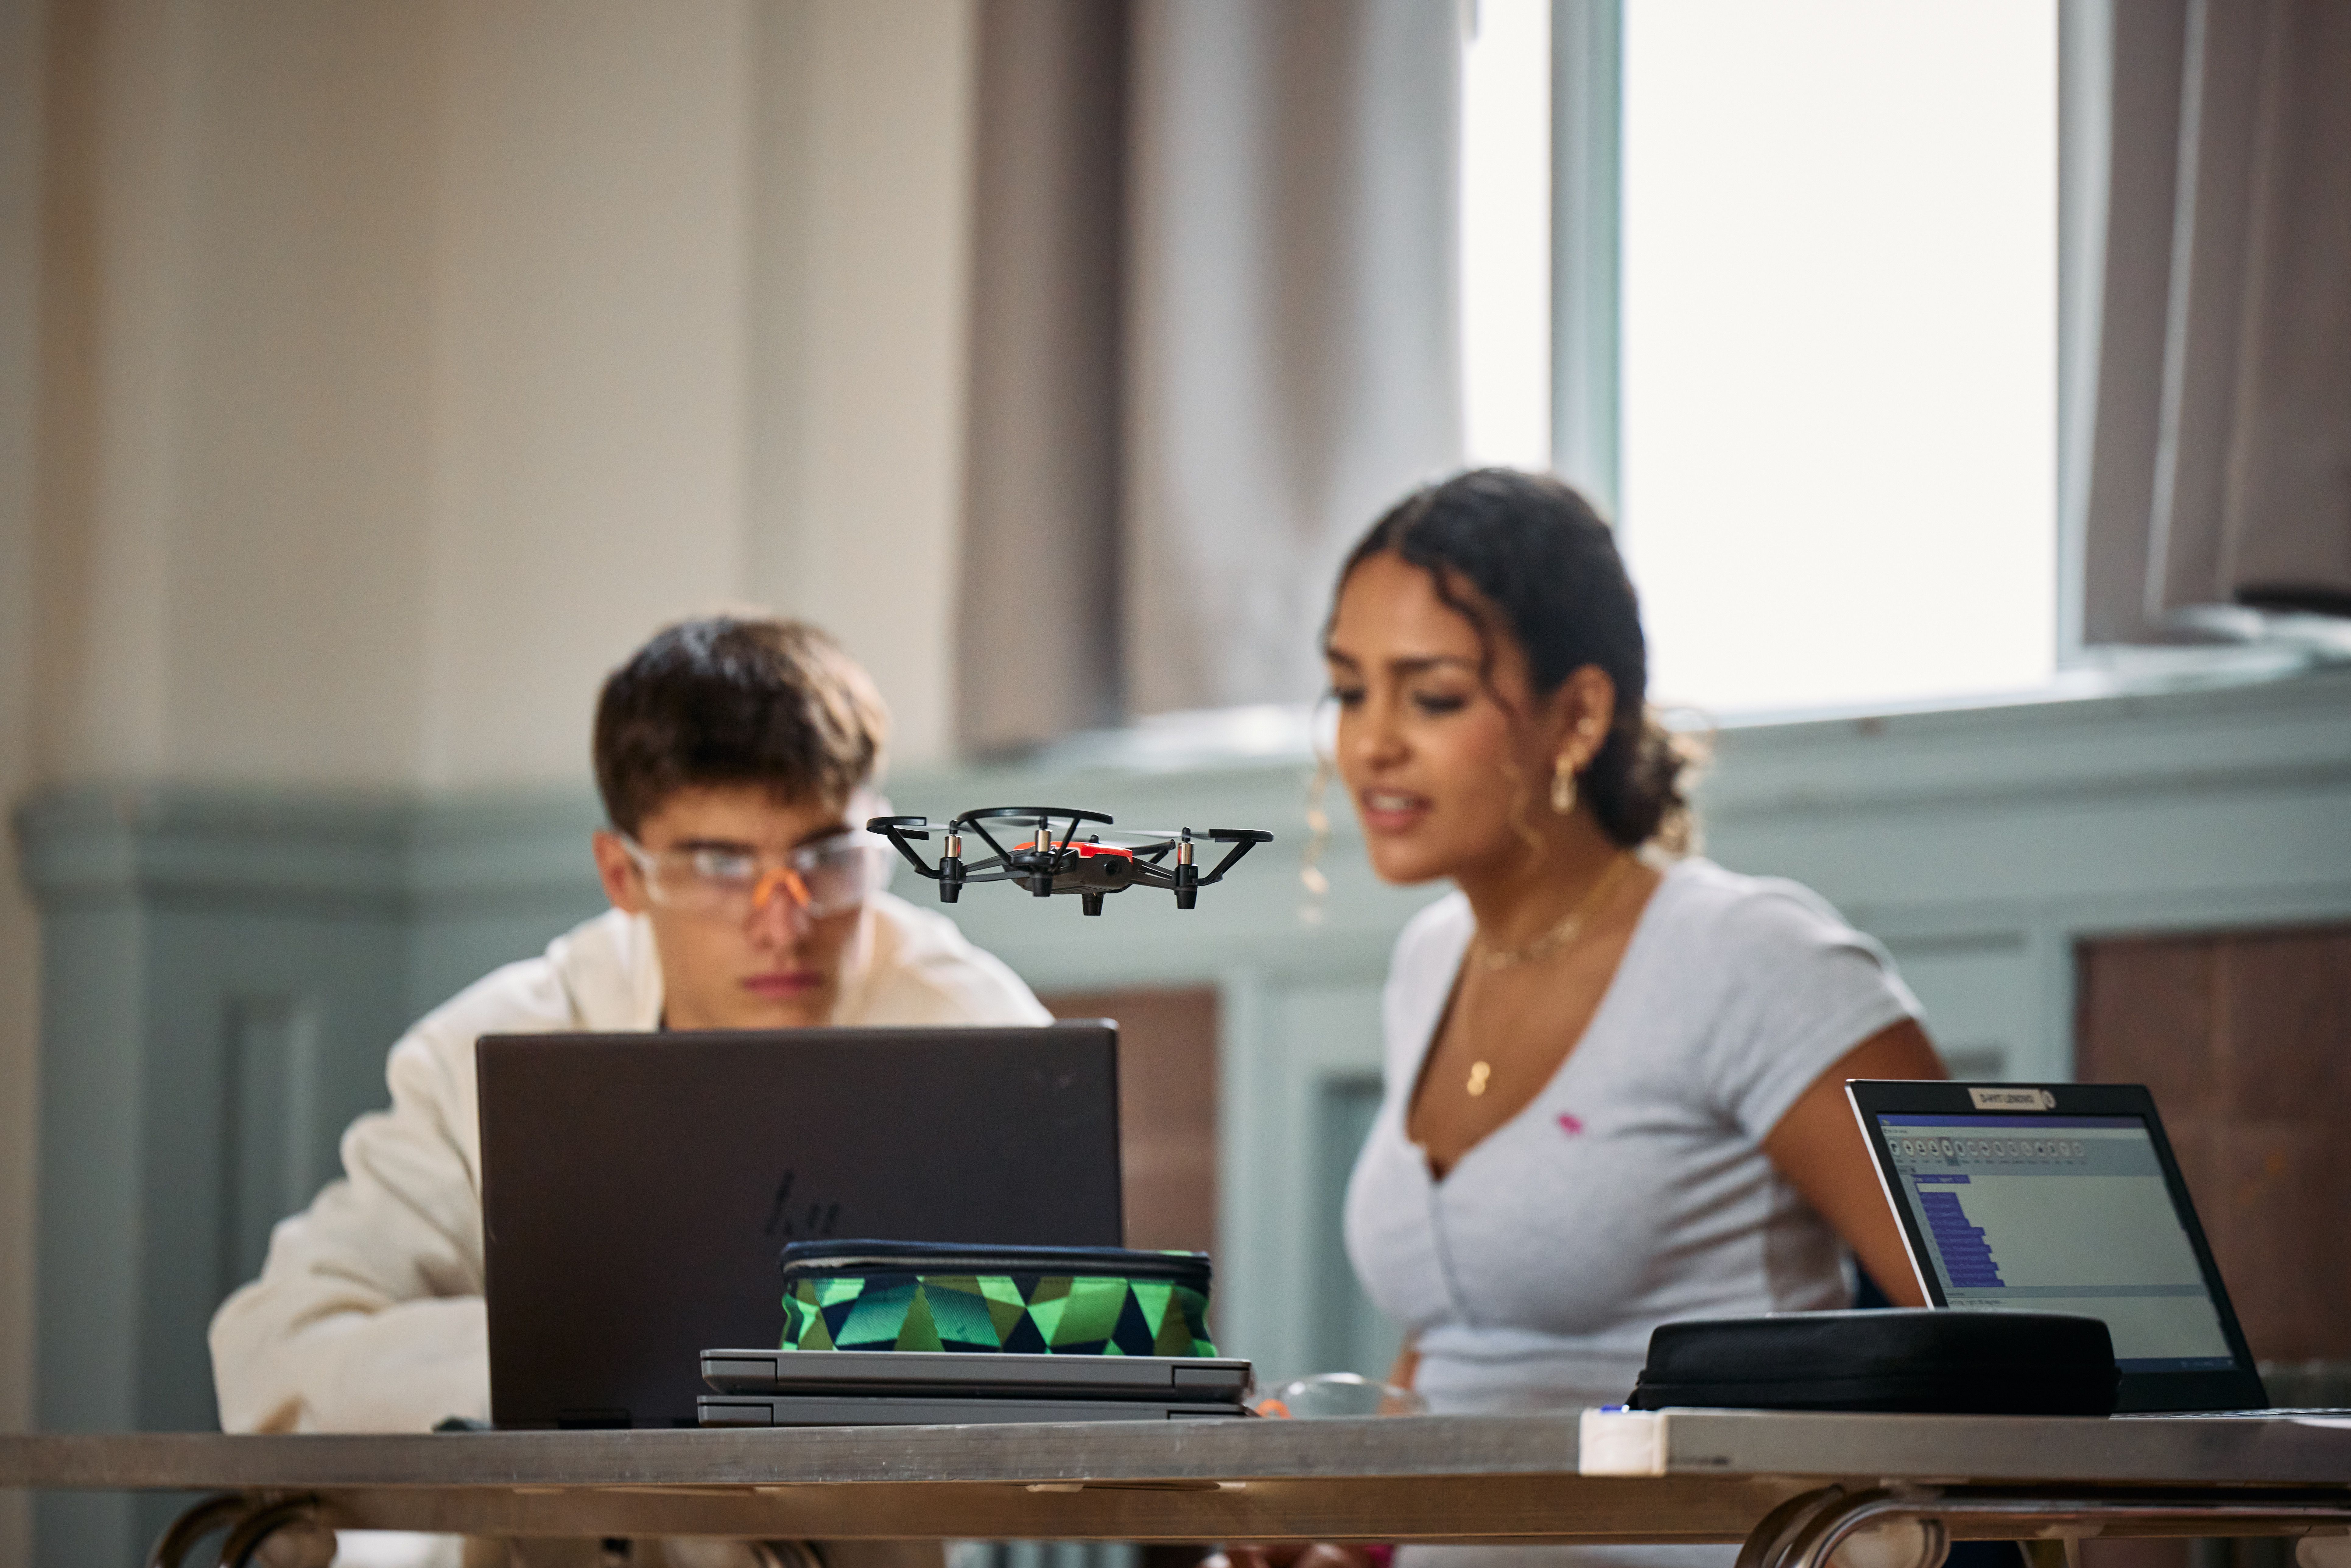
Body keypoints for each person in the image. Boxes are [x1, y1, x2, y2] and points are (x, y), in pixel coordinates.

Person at [210, 616, 1050, 1437]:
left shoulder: (985, 1035)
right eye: (722, 866)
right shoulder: (492, 1054)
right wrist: (604, 1349)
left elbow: (1076, 1339)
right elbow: (278, 1356)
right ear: (624, 875)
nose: (781, 924)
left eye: (824, 857)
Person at [1326, 470, 1945, 1568]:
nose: (1370, 744)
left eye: (1429, 697)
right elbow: (1467, 1356)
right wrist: (1333, 1542)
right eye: (1347, 690)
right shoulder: (1428, 962)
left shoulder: (1751, 958)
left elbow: (2025, 1368)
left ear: (1578, 714)